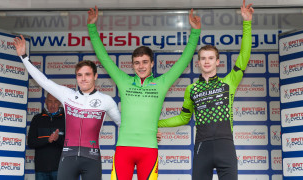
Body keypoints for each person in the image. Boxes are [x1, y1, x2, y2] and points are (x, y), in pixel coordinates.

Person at [87, 6, 201, 180]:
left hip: (149, 150)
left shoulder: (161, 83)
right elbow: (103, 58)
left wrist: (195, 33)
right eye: (137, 63)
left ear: (152, 63)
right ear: (132, 65)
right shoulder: (123, 81)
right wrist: (92, 28)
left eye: (145, 62)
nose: (141, 66)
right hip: (124, 149)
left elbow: (183, 61)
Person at [158, 1, 254, 180]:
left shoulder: (229, 82)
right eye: (203, 58)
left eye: (211, 58)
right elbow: (183, 118)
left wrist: (247, 23)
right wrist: (155, 123)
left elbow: (244, 55)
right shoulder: (191, 89)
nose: (207, 61)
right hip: (202, 148)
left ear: (218, 62)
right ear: (198, 63)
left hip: (226, 147)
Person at [14, 37, 122, 180]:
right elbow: (43, 81)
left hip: (92, 159)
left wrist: (149, 134)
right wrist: (24, 57)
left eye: (87, 74)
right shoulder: (67, 95)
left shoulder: (106, 100)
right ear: (76, 77)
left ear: (95, 76)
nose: (83, 79)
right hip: (68, 158)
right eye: (79, 75)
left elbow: (123, 124)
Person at [28, 93, 65, 180]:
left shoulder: (65, 119)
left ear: (59, 102)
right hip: (41, 170)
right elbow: (31, 142)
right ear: (45, 102)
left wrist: (57, 138)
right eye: (50, 101)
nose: (52, 105)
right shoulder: (37, 119)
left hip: (60, 169)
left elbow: (70, 144)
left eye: (55, 102)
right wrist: (47, 140)